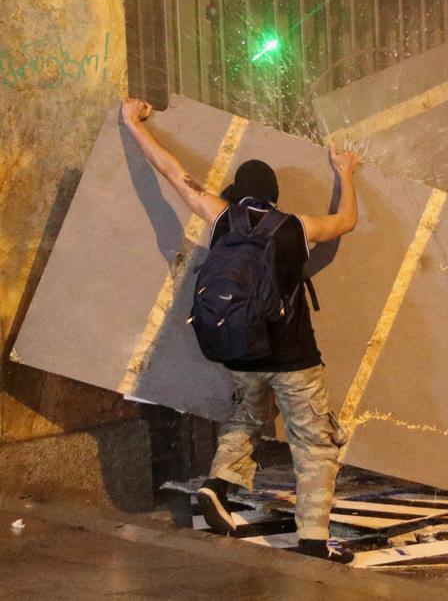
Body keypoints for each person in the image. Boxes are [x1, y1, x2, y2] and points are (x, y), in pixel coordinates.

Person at [121, 98, 360, 564]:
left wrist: (133, 122)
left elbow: (173, 173)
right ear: (274, 194)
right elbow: (348, 221)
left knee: (246, 420)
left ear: (238, 193)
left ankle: (216, 484)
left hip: (240, 354)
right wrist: (344, 172)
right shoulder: (297, 226)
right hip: (294, 360)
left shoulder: (220, 216)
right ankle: (312, 539)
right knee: (314, 444)